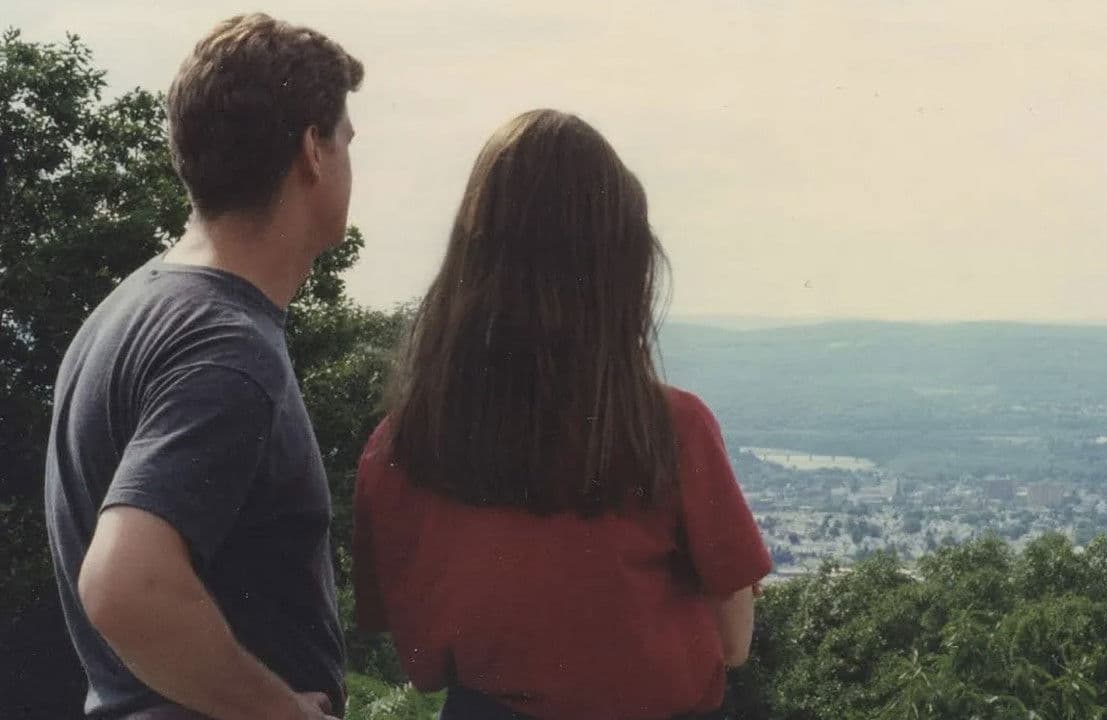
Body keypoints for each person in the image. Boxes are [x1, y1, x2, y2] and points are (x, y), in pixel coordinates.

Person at [353, 109, 772, 720]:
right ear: (620, 273)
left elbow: (405, 640)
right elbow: (733, 644)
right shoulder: (670, 430)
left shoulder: (398, 447)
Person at [43, 14, 362, 720]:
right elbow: (125, 586)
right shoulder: (226, 346)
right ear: (312, 150)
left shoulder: (132, 307)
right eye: (345, 140)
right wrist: (280, 712)